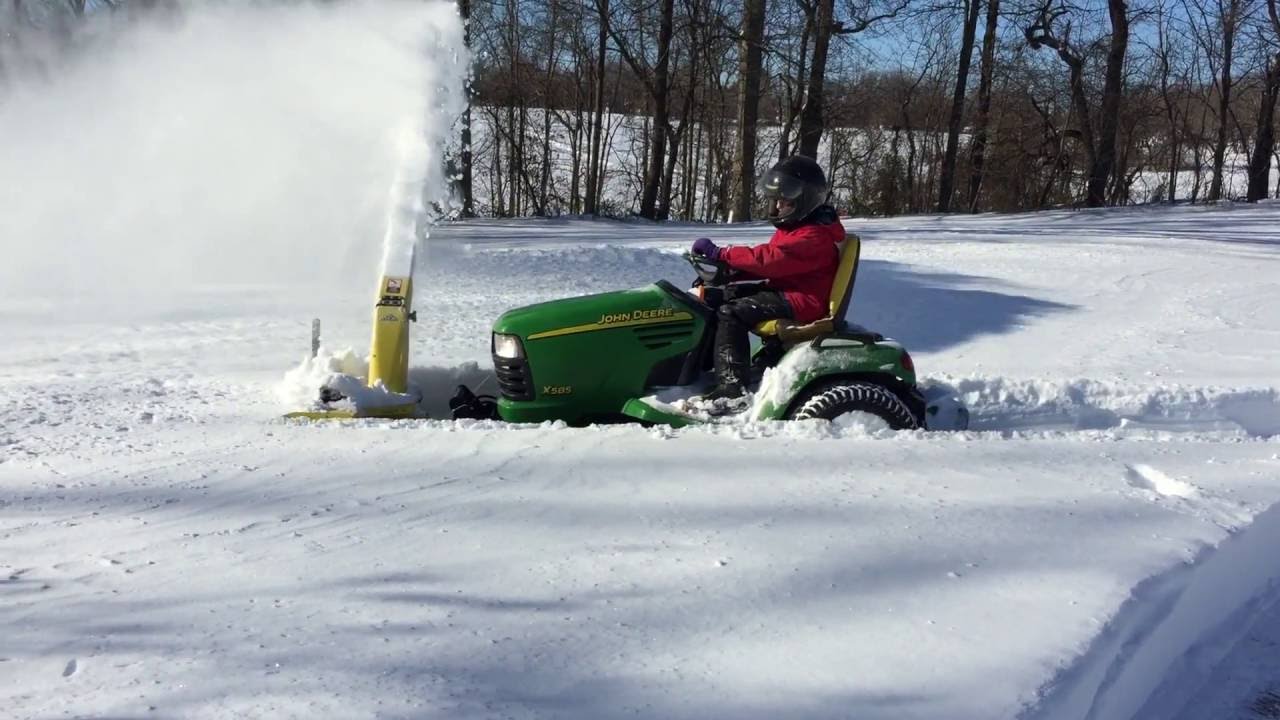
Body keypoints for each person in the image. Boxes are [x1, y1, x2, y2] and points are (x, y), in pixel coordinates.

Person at [690, 155, 844, 405]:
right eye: (775, 201)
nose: (777, 208)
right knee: (720, 296)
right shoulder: (799, 228)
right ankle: (707, 365)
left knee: (732, 312)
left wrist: (722, 253)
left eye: (783, 202)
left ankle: (732, 387)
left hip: (802, 300)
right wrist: (729, 273)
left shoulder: (813, 236)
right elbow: (773, 267)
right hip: (790, 290)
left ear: (804, 201)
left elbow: (771, 260)